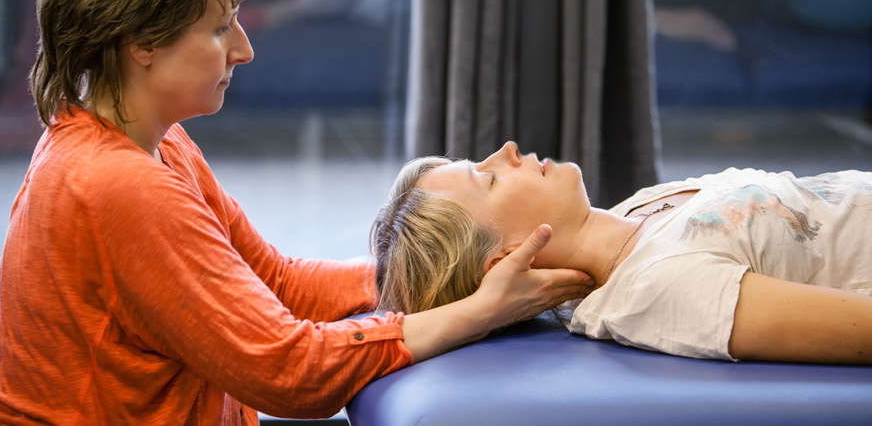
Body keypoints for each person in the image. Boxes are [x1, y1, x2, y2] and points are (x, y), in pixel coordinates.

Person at [0, 0, 594, 424]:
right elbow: (287, 369)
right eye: (219, 29)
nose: (242, 49)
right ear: (141, 43)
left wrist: (440, 277)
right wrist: (478, 311)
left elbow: (273, 282)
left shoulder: (148, 145)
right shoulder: (116, 186)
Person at [372, 141, 872, 364]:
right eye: (490, 177)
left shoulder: (636, 210)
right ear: (505, 261)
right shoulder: (656, 288)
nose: (507, 149)